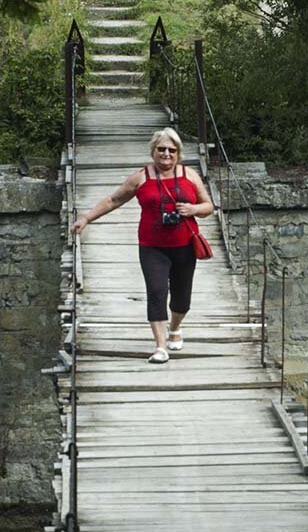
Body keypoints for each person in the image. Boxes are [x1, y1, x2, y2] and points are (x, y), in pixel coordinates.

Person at [70, 128, 215, 363]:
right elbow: (113, 200)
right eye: (161, 149)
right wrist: (86, 218)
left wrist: (193, 209)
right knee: (156, 292)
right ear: (153, 151)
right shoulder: (141, 177)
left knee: (181, 297)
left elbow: (208, 206)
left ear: (178, 153)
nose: (166, 154)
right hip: (152, 246)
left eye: (171, 150)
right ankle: (160, 347)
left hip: (184, 245)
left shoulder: (189, 175)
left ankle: (175, 328)